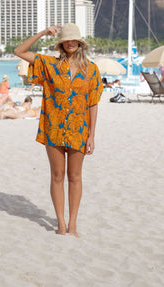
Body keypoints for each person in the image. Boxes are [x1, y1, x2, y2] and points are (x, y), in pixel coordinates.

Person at [14, 23, 103, 237]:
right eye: (66, 40)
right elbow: (19, 51)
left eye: (74, 40)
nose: (70, 43)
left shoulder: (91, 69)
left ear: (80, 43)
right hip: (53, 128)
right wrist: (44, 33)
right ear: (61, 44)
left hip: (79, 130)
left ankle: (72, 225)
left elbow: (93, 103)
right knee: (57, 176)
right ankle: (61, 225)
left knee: (75, 176)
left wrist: (91, 135)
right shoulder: (49, 64)